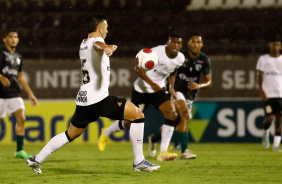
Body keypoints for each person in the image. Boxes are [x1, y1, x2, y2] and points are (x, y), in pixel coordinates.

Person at [26, 14, 160, 174]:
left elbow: (93, 46)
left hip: (84, 100)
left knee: (71, 134)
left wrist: (106, 47)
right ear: (101, 29)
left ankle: (37, 159)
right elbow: (97, 45)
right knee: (137, 115)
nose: (107, 31)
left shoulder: (83, 43)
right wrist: (107, 48)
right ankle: (139, 161)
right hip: (98, 99)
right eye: (107, 28)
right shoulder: (97, 42)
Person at [98, 33, 185, 161]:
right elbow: (138, 69)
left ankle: (163, 152)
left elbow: (173, 70)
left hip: (159, 90)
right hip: (142, 90)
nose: (176, 45)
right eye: (173, 42)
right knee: (129, 122)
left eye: (179, 43)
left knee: (172, 115)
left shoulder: (180, 58)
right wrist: (152, 84)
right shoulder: (155, 52)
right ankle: (107, 132)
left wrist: (171, 86)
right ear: (168, 42)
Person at [149, 33, 212, 159]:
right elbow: (169, 72)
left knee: (176, 121)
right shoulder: (180, 56)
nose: (196, 45)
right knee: (184, 114)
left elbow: (209, 81)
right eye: (193, 42)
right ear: (188, 44)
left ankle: (154, 138)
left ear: (202, 45)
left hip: (190, 94)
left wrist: (199, 86)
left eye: (198, 42)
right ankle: (185, 151)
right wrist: (170, 87)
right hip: (176, 91)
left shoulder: (204, 59)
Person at [0, 31, 38, 159]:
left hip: (14, 92)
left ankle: (20, 150)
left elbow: (20, 77)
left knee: (21, 118)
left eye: (15, 37)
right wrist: (1, 77)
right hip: (0, 93)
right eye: (10, 36)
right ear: (4, 39)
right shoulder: (1, 53)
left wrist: (30, 94)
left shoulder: (18, 57)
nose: (13, 39)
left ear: (18, 40)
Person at [257, 35, 282, 152]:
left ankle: (276, 145)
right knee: (270, 118)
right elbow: (260, 77)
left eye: (277, 44)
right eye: (273, 44)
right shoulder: (263, 59)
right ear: (269, 46)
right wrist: (262, 92)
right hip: (268, 95)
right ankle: (266, 132)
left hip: (280, 94)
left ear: (280, 46)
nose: (275, 46)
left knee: (280, 119)